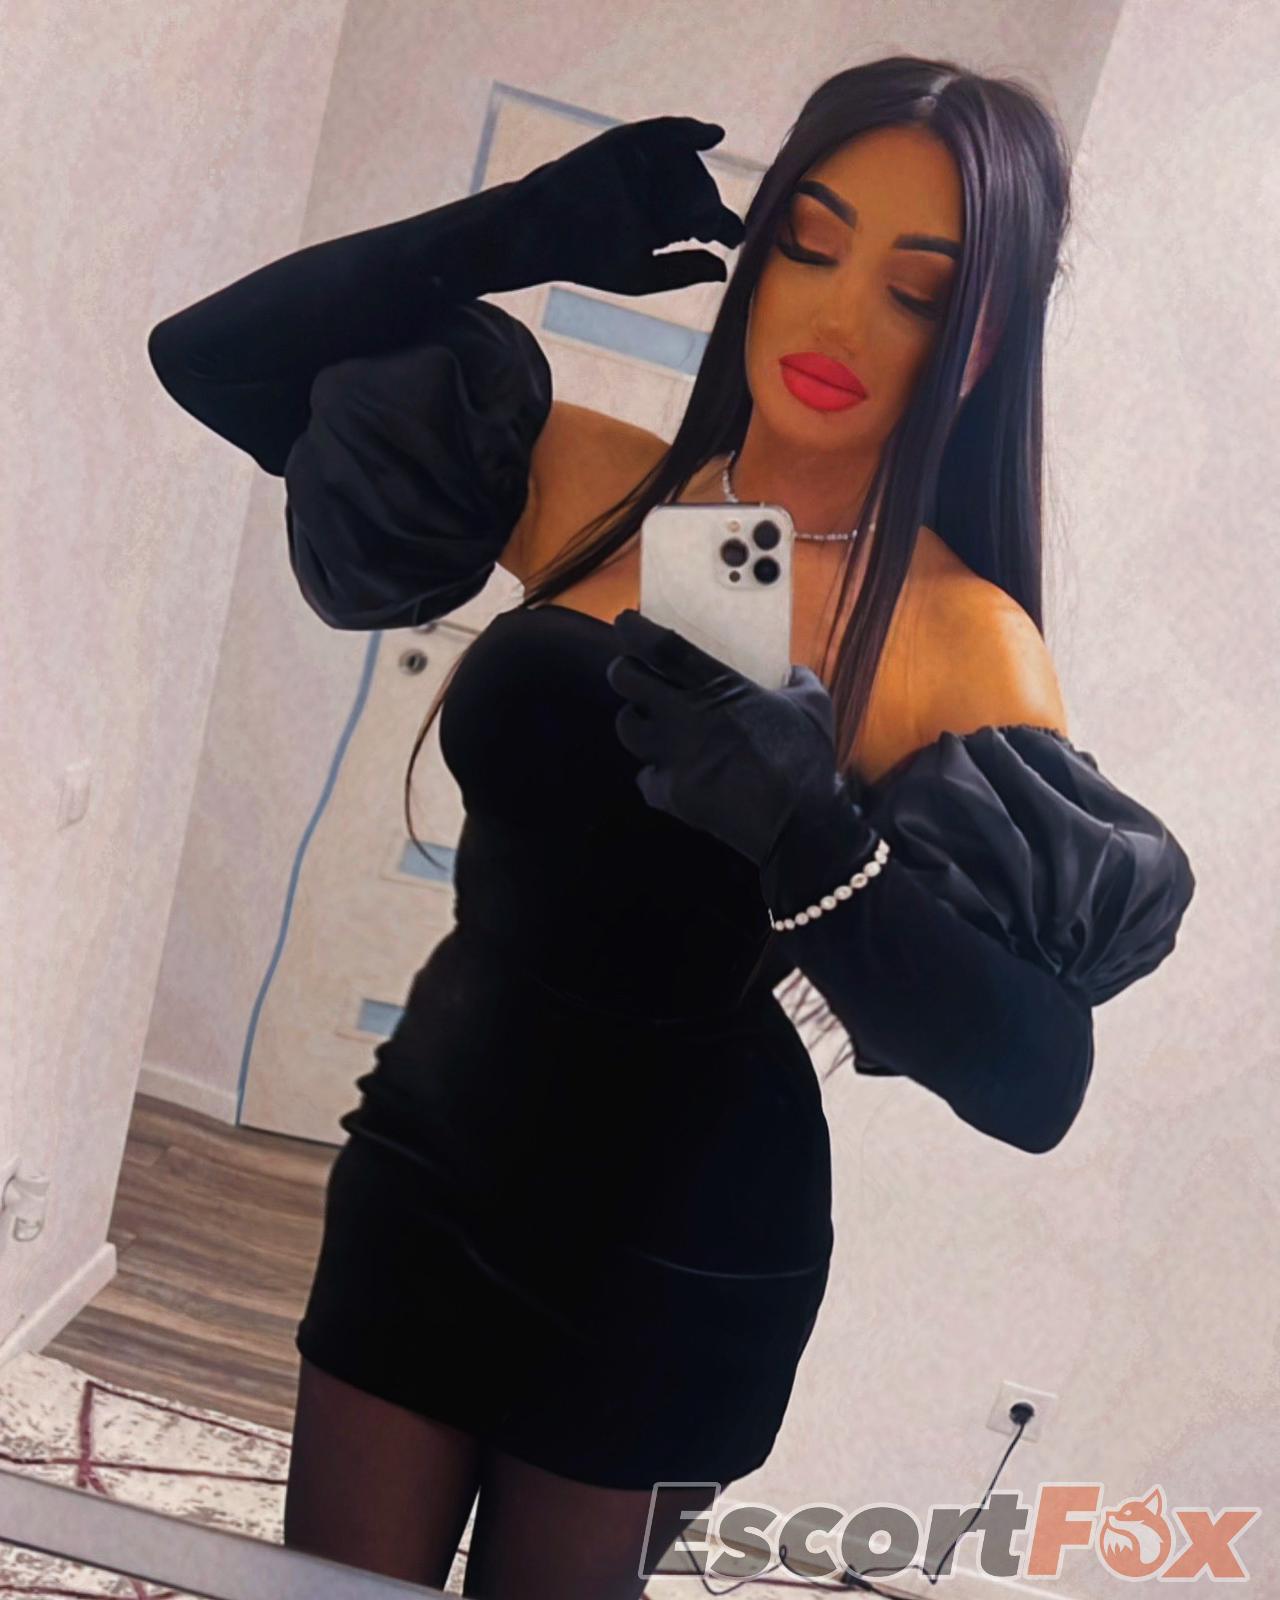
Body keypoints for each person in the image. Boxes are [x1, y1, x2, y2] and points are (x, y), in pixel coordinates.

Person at [146, 56, 1195, 1600]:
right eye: (808, 242)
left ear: (982, 344)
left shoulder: (960, 638)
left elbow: (1037, 1082)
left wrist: (815, 831)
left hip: (674, 1244)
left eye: (917, 291)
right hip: (433, 1156)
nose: (836, 320)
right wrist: (512, 232)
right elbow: (209, 359)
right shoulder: (589, 479)